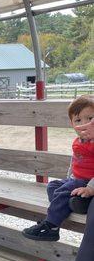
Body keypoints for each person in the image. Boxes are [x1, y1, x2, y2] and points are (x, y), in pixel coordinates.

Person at [22, 95, 94, 242]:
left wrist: (90, 188)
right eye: (78, 120)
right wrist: (68, 179)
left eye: (90, 119)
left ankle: (51, 227)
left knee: (63, 191)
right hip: (77, 180)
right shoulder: (78, 141)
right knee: (53, 186)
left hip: (89, 182)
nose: (84, 124)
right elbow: (74, 162)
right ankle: (75, 202)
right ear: (72, 123)